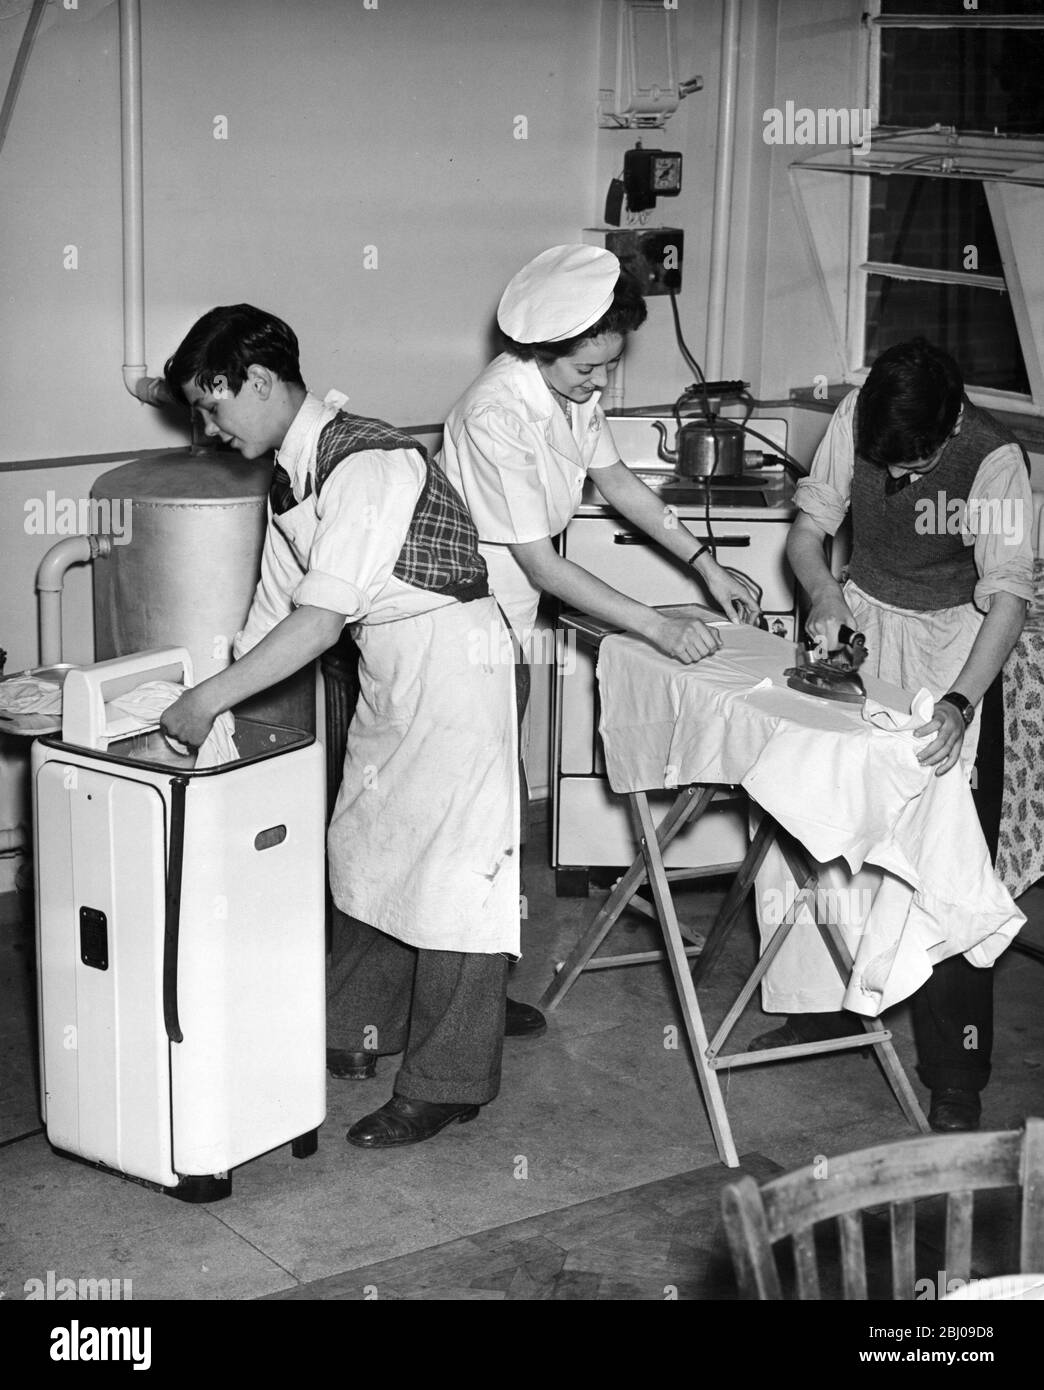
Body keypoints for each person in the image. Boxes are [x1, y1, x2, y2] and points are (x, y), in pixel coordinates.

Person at [159, 304, 520, 1149]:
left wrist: (208, 701)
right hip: (387, 667)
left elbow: (317, 623)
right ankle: (359, 1025)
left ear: (257, 381)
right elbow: (271, 612)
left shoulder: (372, 462)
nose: (207, 429)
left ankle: (450, 1082)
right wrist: (209, 700)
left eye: (212, 406)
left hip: (454, 666)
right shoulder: (294, 469)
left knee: (457, 878)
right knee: (366, 842)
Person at [756, 337, 1033, 1133]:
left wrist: (957, 704)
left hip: (957, 646)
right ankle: (822, 1006)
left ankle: (955, 1072)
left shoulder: (994, 461)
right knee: (816, 812)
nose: (902, 481)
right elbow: (809, 534)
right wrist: (822, 597)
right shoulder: (857, 414)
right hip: (866, 623)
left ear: (949, 427)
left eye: (915, 467)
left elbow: (1007, 599)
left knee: (944, 854)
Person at [439, 244, 762, 668]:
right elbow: (543, 567)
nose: (602, 382)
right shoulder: (496, 416)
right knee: (467, 723)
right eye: (587, 369)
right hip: (457, 603)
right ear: (541, 352)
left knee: (500, 724)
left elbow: (619, 484)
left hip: (507, 600)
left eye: (612, 363)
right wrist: (658, 626)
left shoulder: (572, 392)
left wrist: (709, 567)